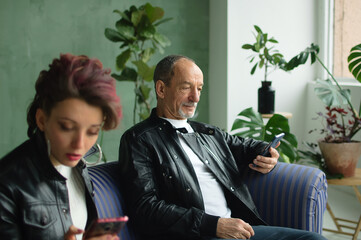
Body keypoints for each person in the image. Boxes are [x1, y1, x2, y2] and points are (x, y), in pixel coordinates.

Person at [118, 55, 327, 240]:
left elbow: (248, 146)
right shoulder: (139, 139)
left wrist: (268, 153)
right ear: (161, 89)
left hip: (240, 231)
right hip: (196, 234)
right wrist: (213, 225)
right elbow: (145, 208)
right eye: (186, 87)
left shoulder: (208, 134)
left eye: (199, 88)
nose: (195, 97)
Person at [0, 53, 122, 240]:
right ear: (42, 120)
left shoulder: (78, 168)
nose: (80, 145)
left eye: (92, 131)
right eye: (66, 127)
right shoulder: (7, 185)